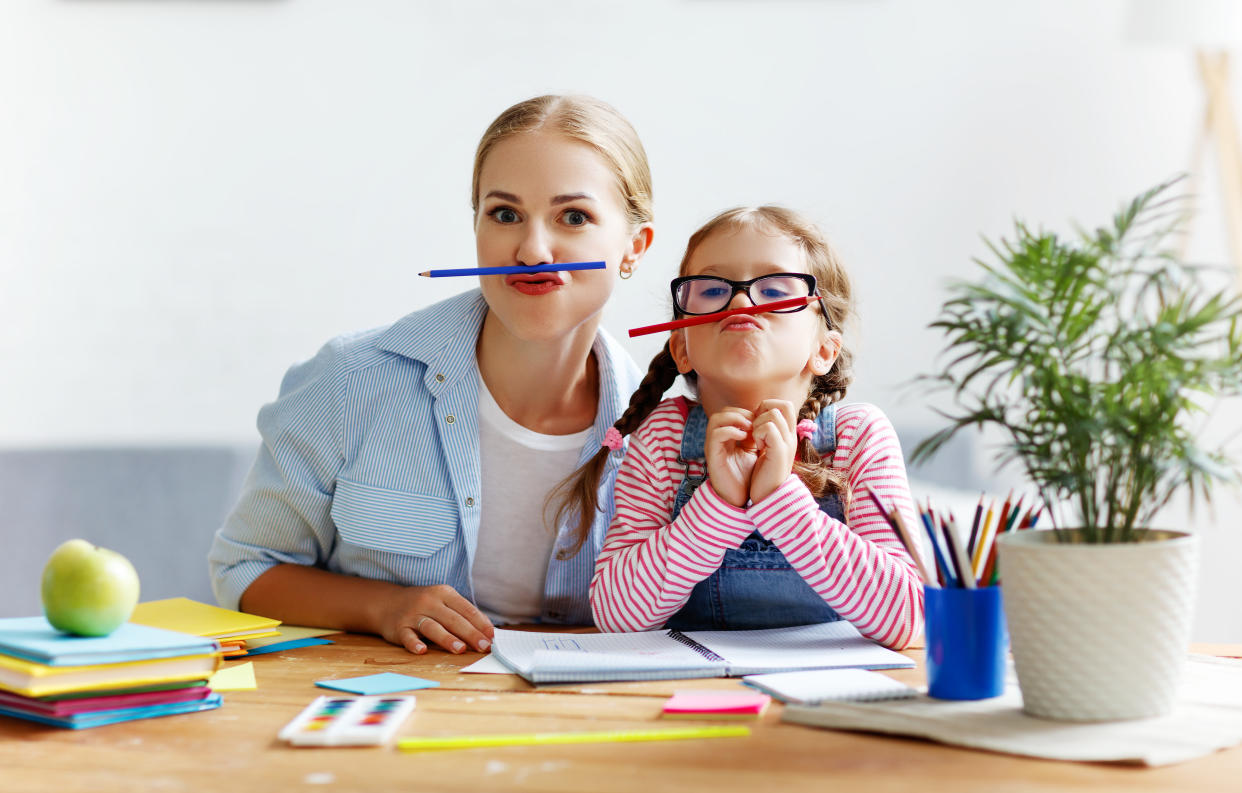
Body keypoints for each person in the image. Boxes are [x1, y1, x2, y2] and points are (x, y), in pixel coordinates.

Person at [209, 95, 654, 655]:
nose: (533, 250)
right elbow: (246, 568)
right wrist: (382, 607)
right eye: (505, 214)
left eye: (574, 217)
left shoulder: (666, 432)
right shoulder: (350, 382)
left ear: (634, 248)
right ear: (476, 228)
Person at [564, 206, 922, 649]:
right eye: (712, 289)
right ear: (682, 348)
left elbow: (908, 615)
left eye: (774, 289)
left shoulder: (857, 437)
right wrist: (717, 504)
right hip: (690, 689)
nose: (739, 301)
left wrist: (780, 502)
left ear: (824, 349)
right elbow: (616, 615)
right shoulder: (662, 438)